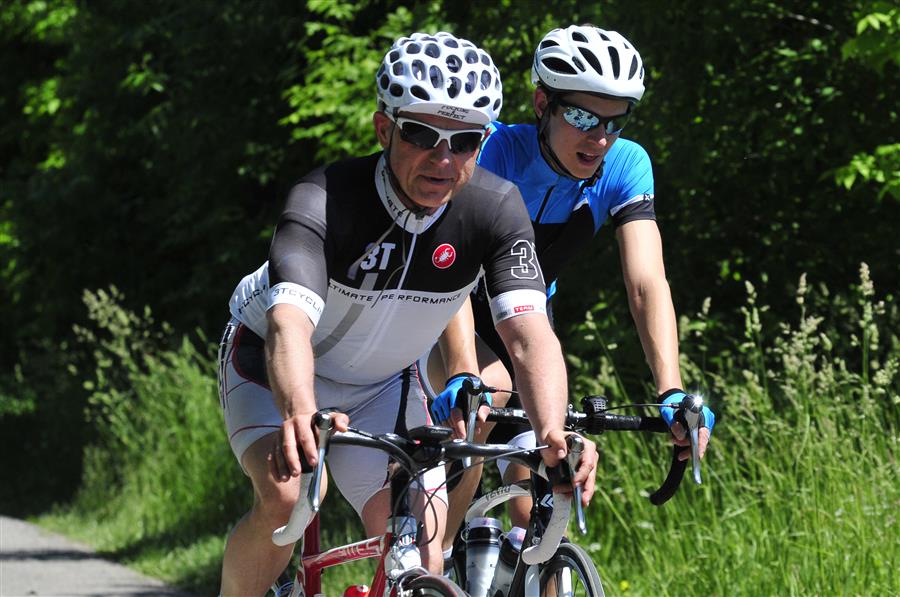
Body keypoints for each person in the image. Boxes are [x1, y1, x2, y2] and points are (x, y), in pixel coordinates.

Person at [215, 31, 599, 596]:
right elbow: (288, 322)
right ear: (383, 129)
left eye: (464, 141)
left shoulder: (494, 209)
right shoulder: (325, 197)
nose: (443, 159)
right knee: (287, 497)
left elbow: (528, 336)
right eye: (421, 134)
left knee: (424, 546)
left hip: (383, 386)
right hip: (273, 366)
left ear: (483, 142)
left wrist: (553, 435)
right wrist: (297, 411)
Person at [421, 24, 717, 548]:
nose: (600, 137)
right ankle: (433, 562)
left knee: (541, 502)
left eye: (615, 121)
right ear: (543, 104)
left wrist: (671, 389)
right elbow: (454, 274)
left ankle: (534, 570)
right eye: (582, 117)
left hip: (530, 321)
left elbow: (646, 282)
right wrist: (464, 371)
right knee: (486, 401)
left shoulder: (626, 165)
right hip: (452, 310)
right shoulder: (493, 151)